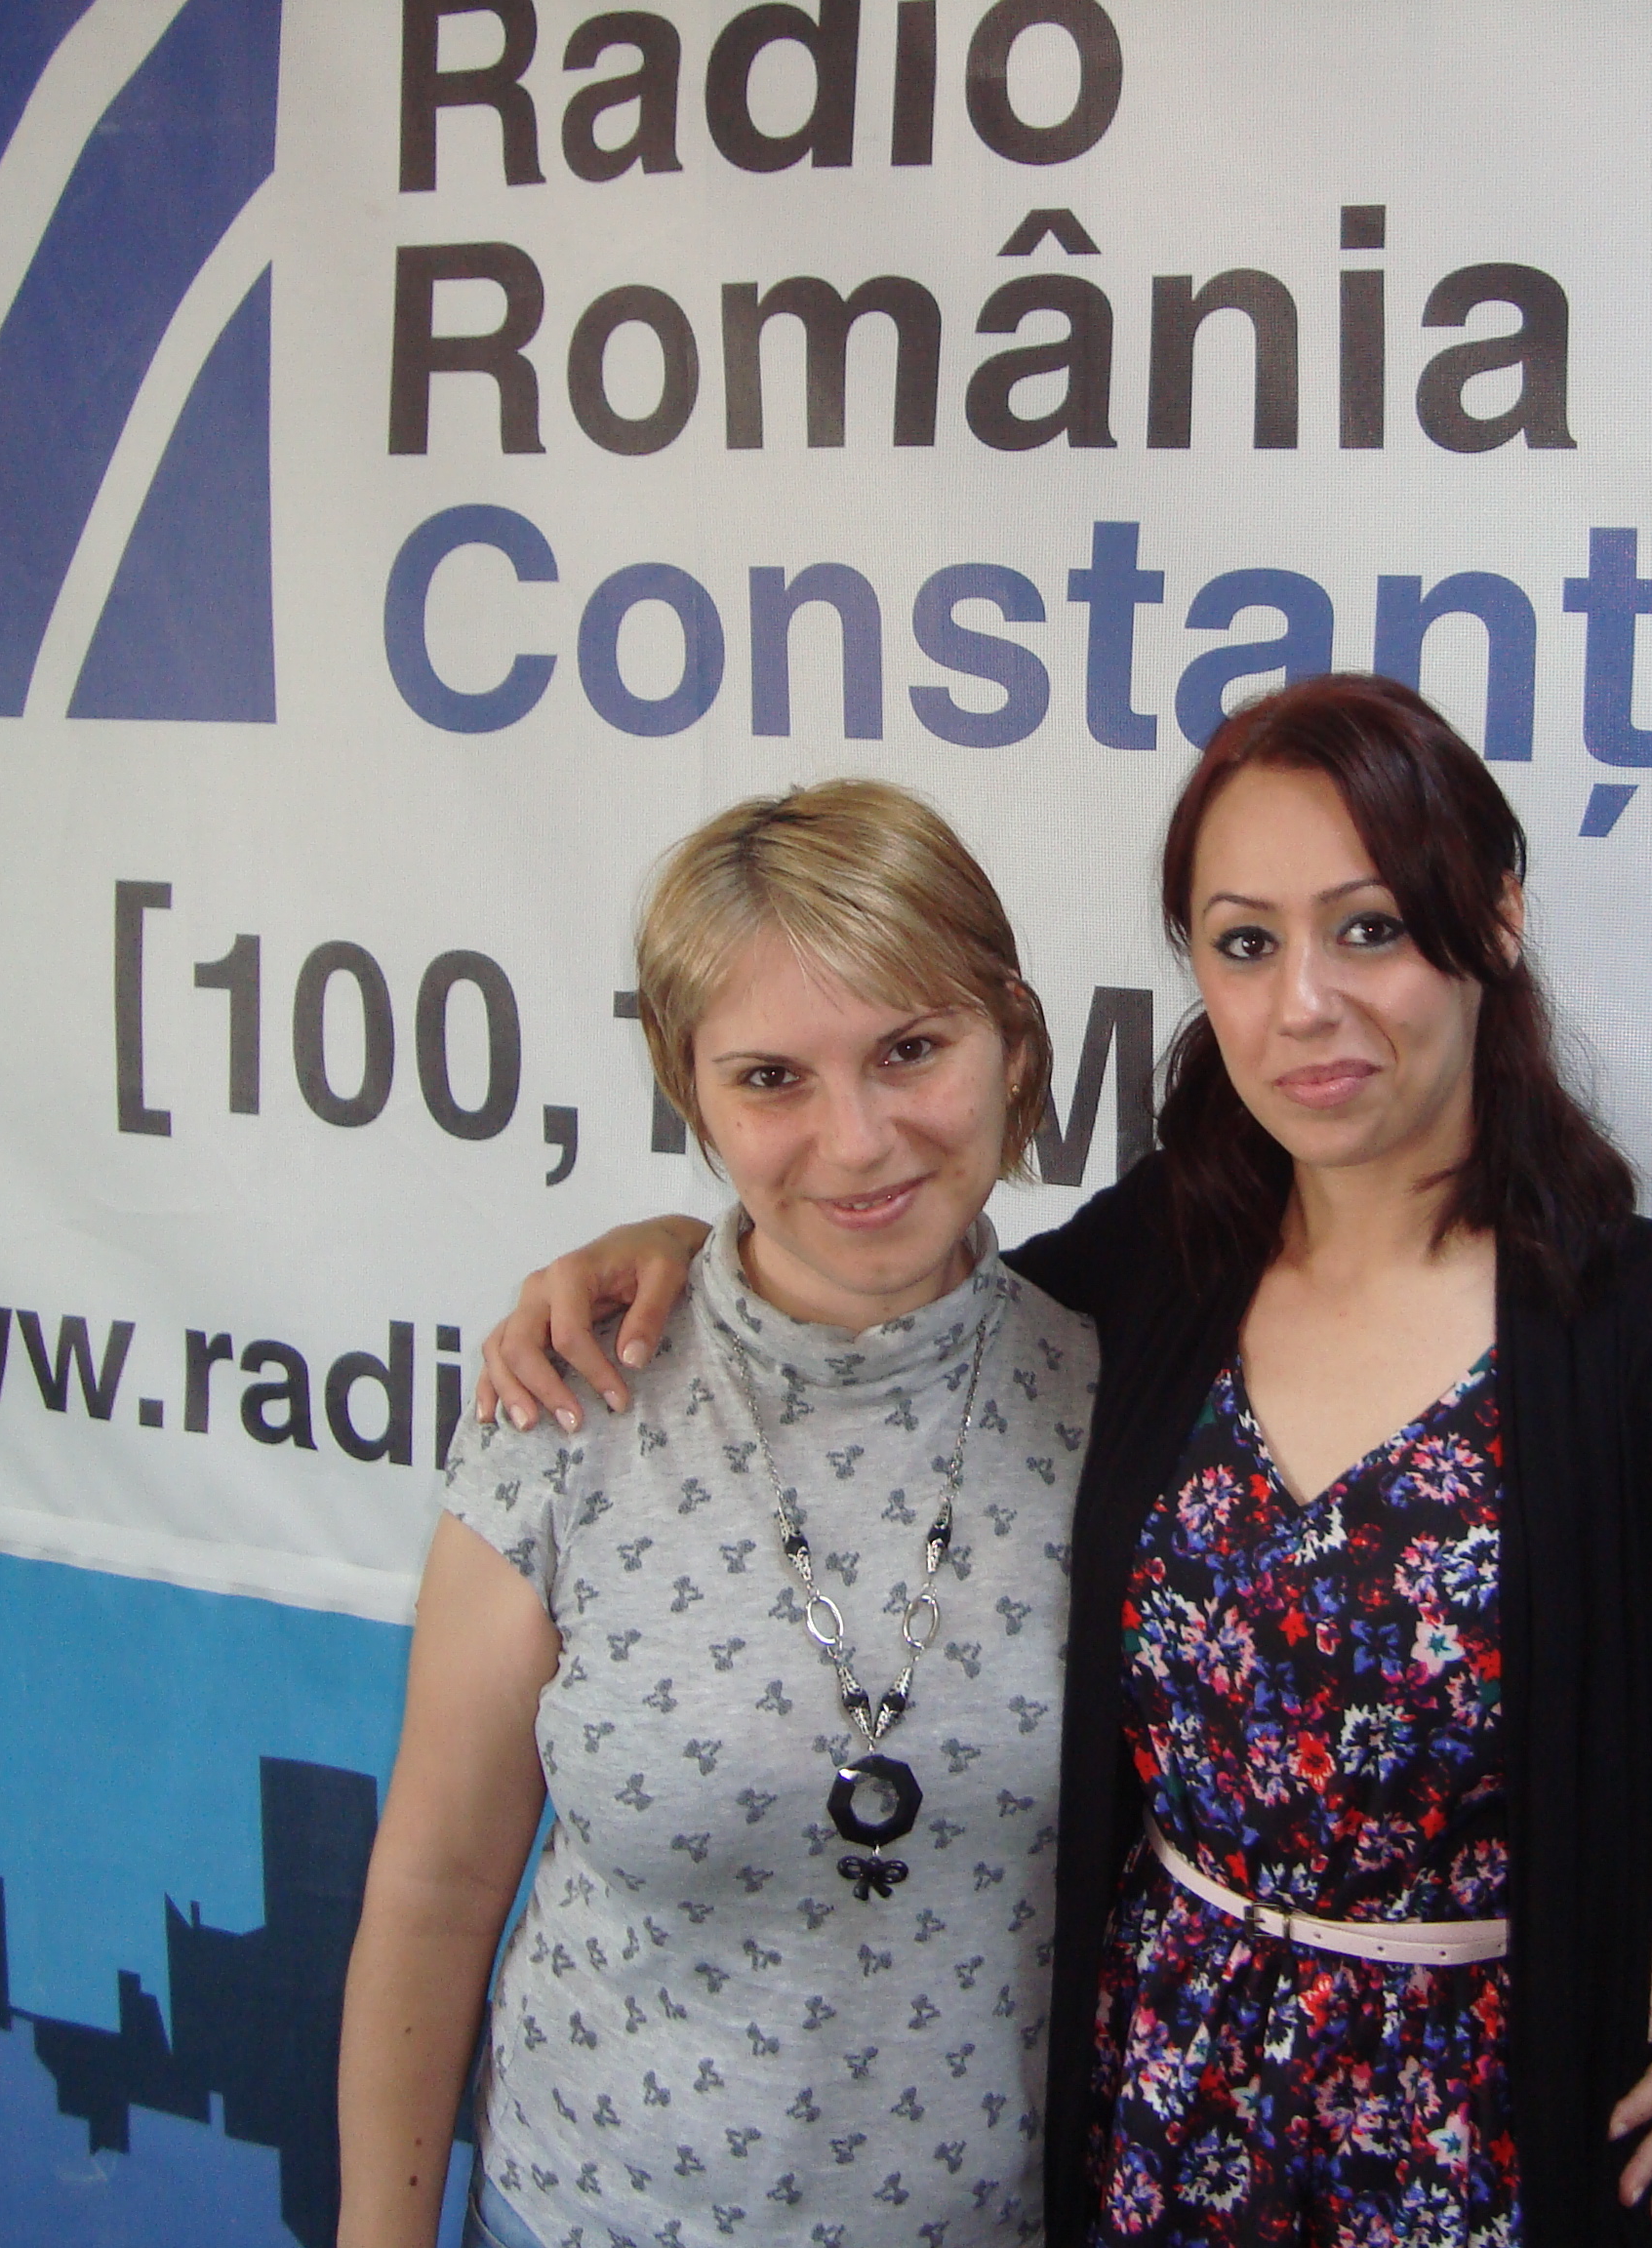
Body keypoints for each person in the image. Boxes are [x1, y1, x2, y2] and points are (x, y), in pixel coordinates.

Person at [481, 677, 1652, 2243]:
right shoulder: (1159, 1273)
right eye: (1245, 943)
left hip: (1492, 2153)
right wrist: (667, 1247)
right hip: (1159, 2138)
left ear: (1497, 916)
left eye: (1370, 927)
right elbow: (889, 1281)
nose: (1304, 1002)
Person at [337, 782, 1099, 2248]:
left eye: (912, 1050)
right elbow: (437, 1887)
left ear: (1013, 1040)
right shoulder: (570, 1399)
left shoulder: (1118, 1399)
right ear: (693, 1095)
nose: (857, 1140)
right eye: (772, 1079)